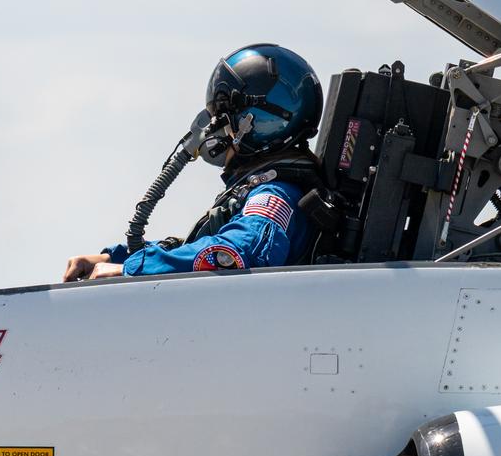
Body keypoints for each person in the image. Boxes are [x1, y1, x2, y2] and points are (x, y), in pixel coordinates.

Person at [63, 44, 324, 281]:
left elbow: (234, 253)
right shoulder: (264, 188)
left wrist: (133, 271)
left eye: (220, 114)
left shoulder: (274, 194)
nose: (210, 126)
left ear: (248, 122)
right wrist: (117, 259)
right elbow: (204, 247)